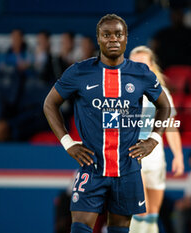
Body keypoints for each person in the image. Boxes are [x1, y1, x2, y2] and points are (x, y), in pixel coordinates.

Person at [43, 14, 171, 233]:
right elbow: (50, 104)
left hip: (128, 167)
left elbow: (165, 106)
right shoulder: (79, 71)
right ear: (98, 39)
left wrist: (153, 140)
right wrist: (67, 142)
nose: (113, 39)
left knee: (119, 230)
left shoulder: (141, 74)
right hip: (92, 166)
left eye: (118, 34)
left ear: (126, 38)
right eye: (107, 34)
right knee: (80, 227)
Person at [128, 45, 185, 233]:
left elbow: (171, 128)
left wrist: (178, 156)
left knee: (152, 213)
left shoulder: (161, 93)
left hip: (156, 159)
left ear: (152, 67)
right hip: (132, 157)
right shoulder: (119, 92)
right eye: (134, 64)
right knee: (141, 209)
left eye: (143, 64)